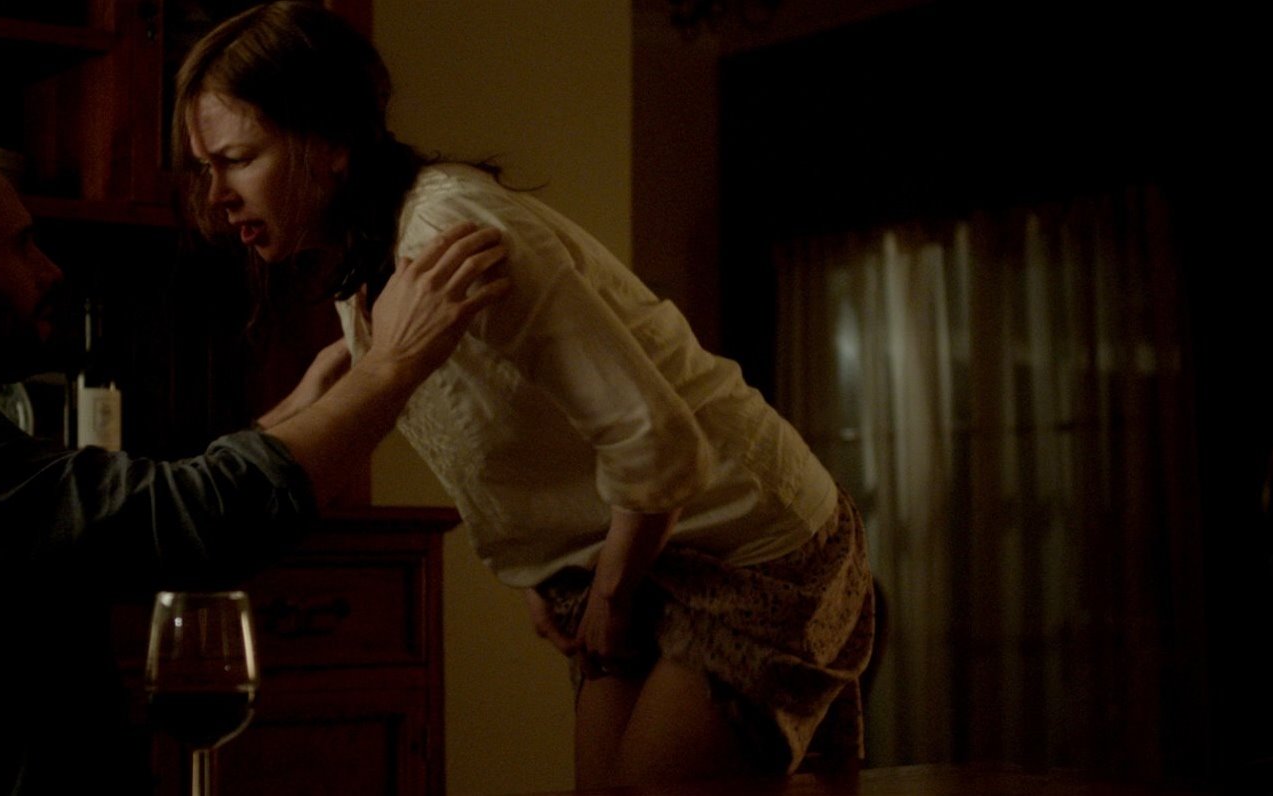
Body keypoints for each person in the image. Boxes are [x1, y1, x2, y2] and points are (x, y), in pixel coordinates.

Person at [172, 2, 875, 788]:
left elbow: (658, 438)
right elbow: (469, 406)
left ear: (330, 141)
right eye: (205, 168)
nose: (217, 194)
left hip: (745, 540)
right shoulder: (363, 261)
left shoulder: (446, 228)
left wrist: (608, 592)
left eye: (237, 159)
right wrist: (549, 567)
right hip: (637, 549)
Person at [0, 143, 508, 794]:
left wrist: (293, 411)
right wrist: (393, 365)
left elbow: (122, 508)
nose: (50, 269)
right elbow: (200, 524)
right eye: (23, 246)